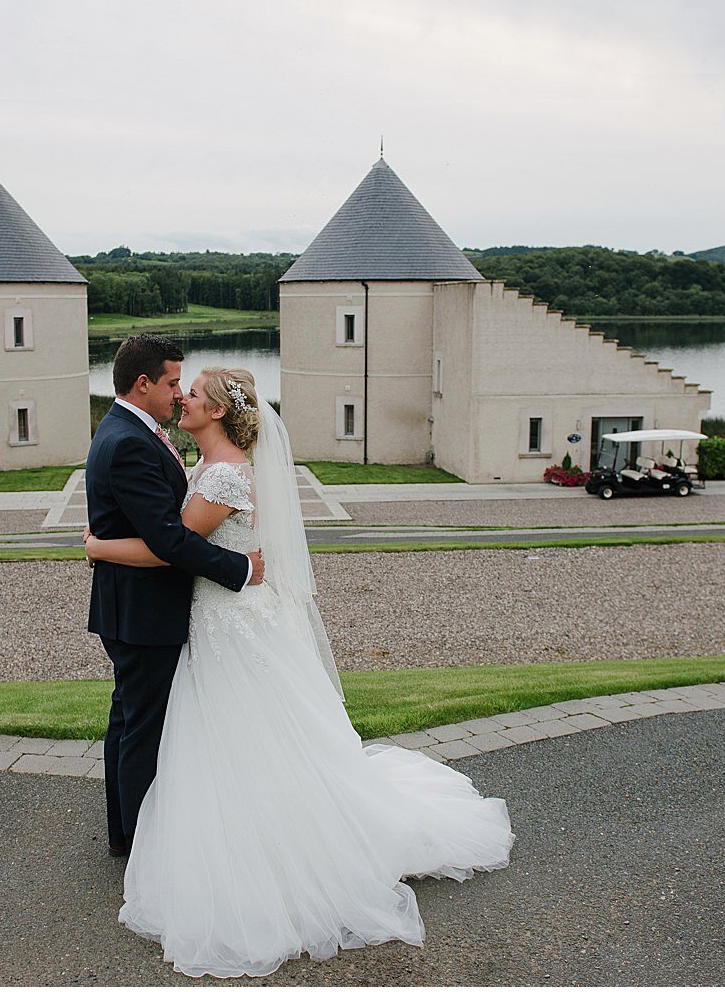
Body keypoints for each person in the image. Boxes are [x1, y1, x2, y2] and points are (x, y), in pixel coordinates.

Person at [85, 366, 514, 979]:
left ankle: (269, 841)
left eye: (195, 394)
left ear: (220, 412)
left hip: (229, 616)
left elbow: (170, 548)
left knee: (242, 724)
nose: (183, 398)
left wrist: (98, 546)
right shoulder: (208, 464)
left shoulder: (228, 471)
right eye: (182, 389)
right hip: (221, 615)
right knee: (230, 727)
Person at [84, 335, 265, 860]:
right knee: (141, 727)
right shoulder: (131, 441)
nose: (178, 394)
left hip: (140, 607)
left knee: (130, 721)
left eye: (185, 386)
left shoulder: (132, 431)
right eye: (171, 383)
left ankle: (127, 833)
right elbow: (169, 542)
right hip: (143, 611)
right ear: (144, 384)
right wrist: (238, 567)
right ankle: (141, 844)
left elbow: (162, 524)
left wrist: (101, 545)